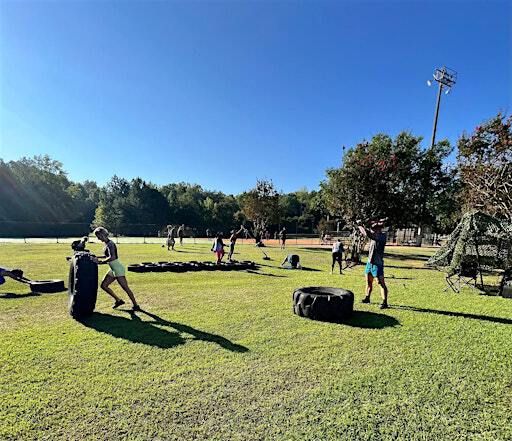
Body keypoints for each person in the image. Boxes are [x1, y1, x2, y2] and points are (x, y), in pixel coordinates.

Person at [93, 227, 140, 311]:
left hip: (117, 269)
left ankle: (136, 305)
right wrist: (95, 257)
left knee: (126, 288)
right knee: (103, 285)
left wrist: (100, 262)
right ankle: (118, 300)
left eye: (98, 236)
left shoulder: (110, 244)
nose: (98, 238)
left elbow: (112, 257)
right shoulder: (107, 244)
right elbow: (107, 256)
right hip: (113, 268)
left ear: (102, 234)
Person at [358, 219, 388, 309]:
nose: (372, 230)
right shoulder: (373, 236)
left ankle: (384, 302)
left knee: (380, 283)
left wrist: (361, 225)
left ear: (379, 229)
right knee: (368, 281)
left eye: (374, 228)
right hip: (369, 263)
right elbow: (364, 232)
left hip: (377, 264)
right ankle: (367, 298)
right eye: (372, 228)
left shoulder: (382, 237)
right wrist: (359, 225)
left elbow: (368, 233)